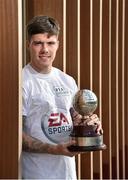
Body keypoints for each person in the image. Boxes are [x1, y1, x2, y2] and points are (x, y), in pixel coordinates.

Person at [22, 15, 102, 179]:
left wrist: (90, 124)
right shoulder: (22, 82)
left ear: (58, 45)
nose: (45, 49)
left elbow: (76, 118)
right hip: (36, 174)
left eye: (50, 43)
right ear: (28, 45)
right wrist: (53, 149)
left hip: (67, 173)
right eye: (38, 43)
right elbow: (16, 137)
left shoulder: (68, 80)